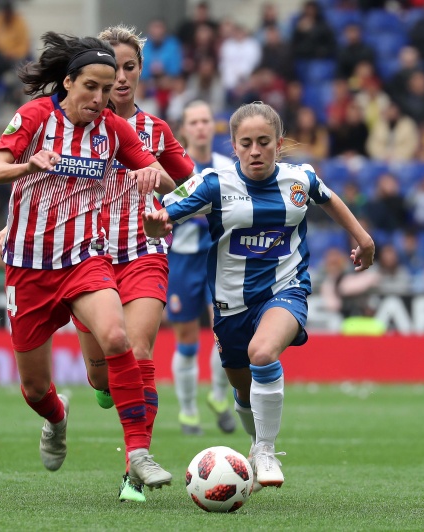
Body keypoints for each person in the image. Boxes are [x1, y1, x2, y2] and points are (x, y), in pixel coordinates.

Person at [0, 31, 176, 494]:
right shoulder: (34, 118)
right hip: (28, 267)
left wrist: (153, 174)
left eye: (107, 90)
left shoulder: (113, 129)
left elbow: (165, 178)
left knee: (116, 336)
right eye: (91, 86)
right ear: (68, 82)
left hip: (84, 259)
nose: (99, 97)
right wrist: (31, 165)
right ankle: (57, 416)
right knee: (34, 389)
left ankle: (138, 455)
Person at [143, 101, 375, 490]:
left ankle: (265, 449)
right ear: (233, 145)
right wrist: (154, 227)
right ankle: (255, 442)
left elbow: (327, 197)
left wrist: (363, 239)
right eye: (246, 143)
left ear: (278, 143)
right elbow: (163, 217)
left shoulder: (299, 179)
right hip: (230, 305)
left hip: (286, 288)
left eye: (264, 142)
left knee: (263, 353)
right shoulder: (213, 183)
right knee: (242, 386)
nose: (255, 151)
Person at [83, 25, 193, 503]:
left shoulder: (157, 131)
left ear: (141, 72)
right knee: (102, 371)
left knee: (139, 349)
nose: (122, 78)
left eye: (130, 68)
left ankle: (136, 466)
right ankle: (105, 385)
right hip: (85, 258)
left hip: (144, 254)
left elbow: (195, 187)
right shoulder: (75, 128)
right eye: (113, 70)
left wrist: (165, 190)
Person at [167, 100, 236, 437]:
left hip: (219, 258)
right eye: (193, 122)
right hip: (181, 261)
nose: (200, 127)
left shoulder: (226, 167)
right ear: (184, 129)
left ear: (214, 126)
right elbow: (165, 209)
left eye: (205, 120)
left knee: (225, 331)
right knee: (187, 340)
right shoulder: (174, 168)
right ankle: (188, 411)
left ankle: (218, 396)